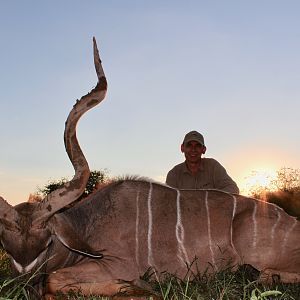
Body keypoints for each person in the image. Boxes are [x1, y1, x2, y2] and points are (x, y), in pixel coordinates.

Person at [166, 130, 239, 194]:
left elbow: (233, 189)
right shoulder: (174, 174)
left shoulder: (213, 166)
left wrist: (208, 200)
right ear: (182, 148)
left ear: (203, 149)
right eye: (189, 145)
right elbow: (167, 200)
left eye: (198, 146)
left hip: (211, 208)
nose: (193, 149)